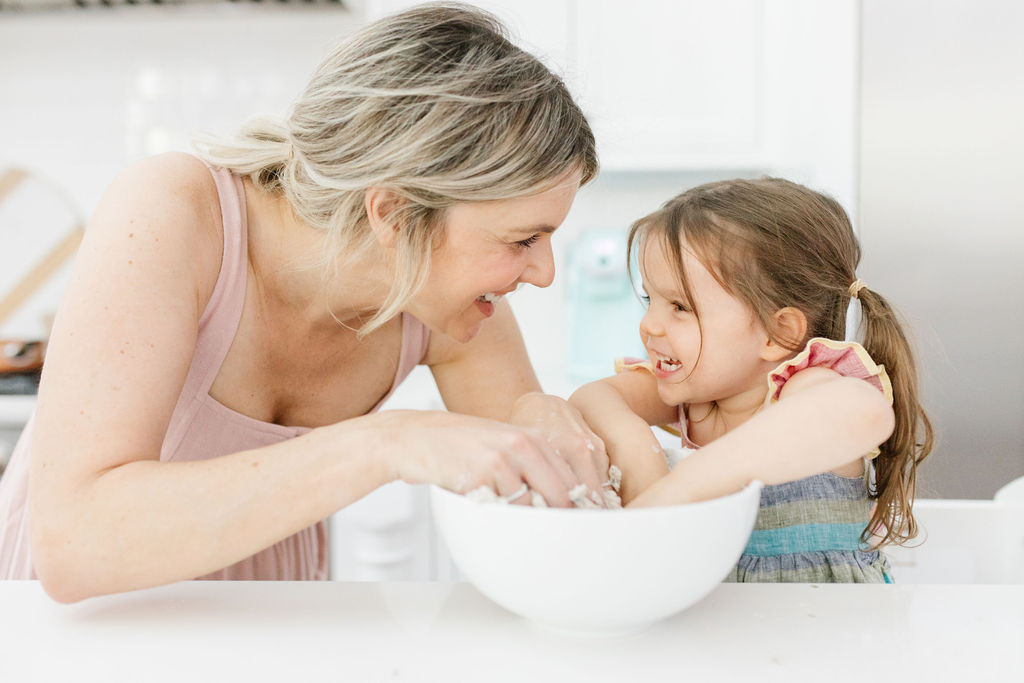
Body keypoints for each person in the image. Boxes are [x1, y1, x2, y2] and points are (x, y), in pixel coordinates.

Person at [0, 3, 607, 602]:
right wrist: (384, 442)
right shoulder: (176, 211)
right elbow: (72, 542)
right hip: (72, 635)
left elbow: (553, 519)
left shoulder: (444, 306)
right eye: (523, 240)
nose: (546, 274)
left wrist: (567, 413)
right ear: (394, 213)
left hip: (270, 624)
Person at [569, 177, 934, 583]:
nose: (649, 324)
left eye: (679, 306)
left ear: (777, 334)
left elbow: (865, 413)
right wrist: (635, 449)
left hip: (829, 626)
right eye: (648, 299)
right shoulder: (695, 395)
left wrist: (683, 487)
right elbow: (591, 397)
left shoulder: (805, 387)